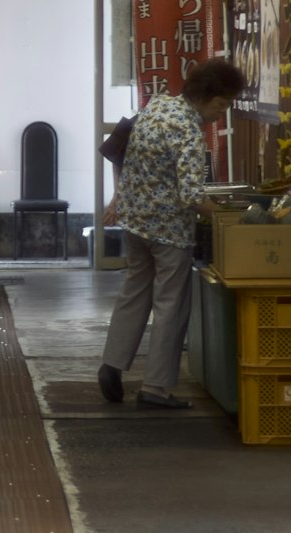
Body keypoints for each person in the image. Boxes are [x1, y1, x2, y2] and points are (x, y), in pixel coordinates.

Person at [98, 56, 246, 410]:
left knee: (135, 291)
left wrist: (120, 198)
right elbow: (192, 196)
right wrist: (230, 215)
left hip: (135, 222)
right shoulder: (189, 132)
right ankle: (156, 387)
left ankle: (112, 364)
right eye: (221, 105)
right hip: (169, 233)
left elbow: (119, 151)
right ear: (206, 97)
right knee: (170, 306)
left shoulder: (156, 107)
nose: (219, 114)